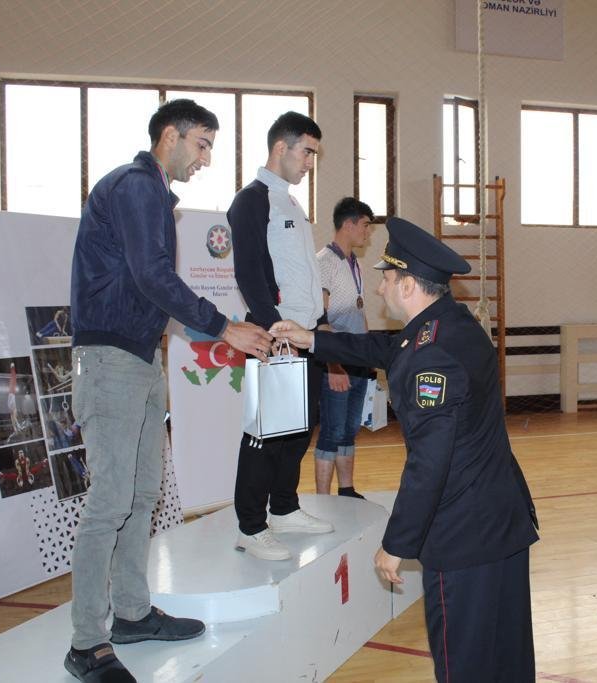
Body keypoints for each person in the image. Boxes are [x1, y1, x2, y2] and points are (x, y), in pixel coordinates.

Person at [272, 217, 539, 682]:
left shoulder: (430, 355)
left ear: (409, 285)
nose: (380, 289)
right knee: (508, 659)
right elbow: (384, 348)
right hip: (502, 523)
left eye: (387, 279)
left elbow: (430, 461)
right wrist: (311, 338)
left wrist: (396, 544)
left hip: (463, 537)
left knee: (465, 665)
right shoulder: (452, 325)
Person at [67, 99, 273, 682]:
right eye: (202, 144)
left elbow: (149, 283)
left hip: (138, 357)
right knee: (111, 501)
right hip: (109, 359)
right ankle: (87, 643)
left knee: (141, 495)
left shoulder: (153, 194)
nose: (206, 159)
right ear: (169, 137)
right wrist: (223, 326)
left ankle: (131, 614)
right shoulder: (136, 186)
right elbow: (152, 276)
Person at [228, 111, 332, 561]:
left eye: (314, 154)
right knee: (265, 433)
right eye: (307, 152)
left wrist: (317, 325)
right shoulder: (252, 201)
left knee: (299, 428)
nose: (310, 162)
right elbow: (250, 272)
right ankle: (251, 527)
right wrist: (273, 330)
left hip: (303, 336)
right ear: (280, 147)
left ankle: (285, 508)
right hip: (275, 335)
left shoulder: (290, 203)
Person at [314, 197, 375, 498]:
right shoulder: (324, 261)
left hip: (358, 359)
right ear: (348, 224)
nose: (367, 232)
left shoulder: (354, 262)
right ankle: (323, 500)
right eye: (365, 225)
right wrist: (333, 365)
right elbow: (319, 316)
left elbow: (358, 311)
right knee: (333, 430)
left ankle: (347, 490)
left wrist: (369, 355)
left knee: (350, 429)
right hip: (336, 362)